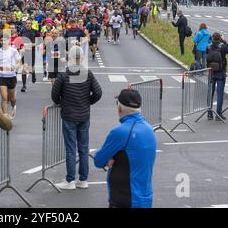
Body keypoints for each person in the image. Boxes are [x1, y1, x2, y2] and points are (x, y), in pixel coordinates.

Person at [94, 89, 157, 208]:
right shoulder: (149, 129)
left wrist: (110, 159)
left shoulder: (120, 132)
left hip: (125, 198)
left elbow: (98, 160)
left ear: (120, 108)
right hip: (144, 197)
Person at [52, 46, 102, 190]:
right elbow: (98, 93)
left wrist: (63, 102)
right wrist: (88, 102)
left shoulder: (63, 74)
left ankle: (70, 180)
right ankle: (83, 179)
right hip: (84, 114)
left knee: (70, 148)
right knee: (83, 148)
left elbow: (54, 95)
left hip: (69, 114)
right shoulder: (88, 73)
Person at [0, 32, 21, 117]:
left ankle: (13, 106)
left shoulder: (13, 51)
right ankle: (5, 116)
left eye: (4, 40)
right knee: (4, 98)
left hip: (11, 76)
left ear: (8, 41)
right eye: (1, 40)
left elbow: (19, 62)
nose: (3, 42)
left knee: (12, 98)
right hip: (2, 77)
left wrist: (15, 66)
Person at [207, 32, 228, 121]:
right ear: (220, 39)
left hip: (211, 72)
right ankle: (218, 114)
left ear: (212, 38)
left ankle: (209, 113)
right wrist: (225, 41)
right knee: (220, 94)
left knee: (210, 93)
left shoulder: (208, 46)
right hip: (220, 72)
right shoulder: (223, 47)